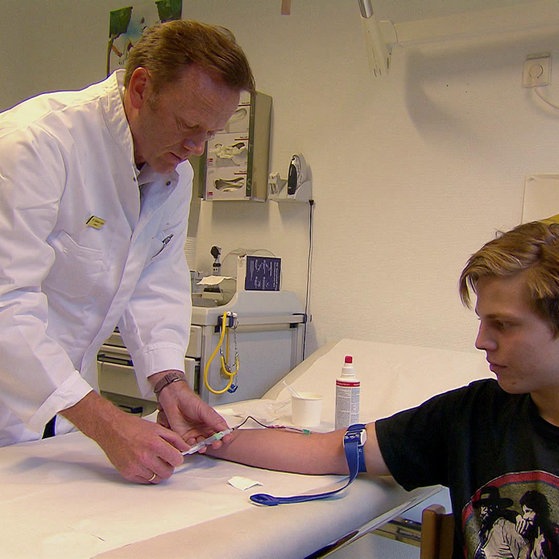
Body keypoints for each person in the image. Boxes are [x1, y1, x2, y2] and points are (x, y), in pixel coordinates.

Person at [0, 19, 254, 484]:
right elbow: (5, 305)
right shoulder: (35, 144)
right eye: (188, 125)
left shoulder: (173, 171)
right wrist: (109, 424)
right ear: (140, 88)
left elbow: (154, 280)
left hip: (62, 411)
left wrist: (169, 382)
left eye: (210, 134)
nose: (197, 148)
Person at [210, 220, 559, 558]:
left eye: (503, 324)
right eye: (482, 321)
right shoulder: (474, 415)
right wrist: (212, 437)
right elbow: (328, 450)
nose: (481, 341)